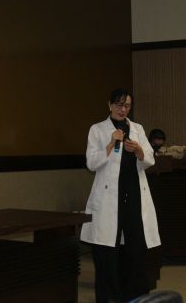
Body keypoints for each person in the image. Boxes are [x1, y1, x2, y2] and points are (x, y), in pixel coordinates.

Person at [80, 88, 161, 303]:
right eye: (118, 105)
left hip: (134, 196)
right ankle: (108, 298)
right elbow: (91, 163)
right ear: (109, 105)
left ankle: (134, 297)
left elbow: (149, 159)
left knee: (135, 250)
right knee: (107, 252)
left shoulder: (137, 129)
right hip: (109, 198)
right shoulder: (97, 129)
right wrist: (110, 144)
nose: (122, 109)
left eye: (127, 106)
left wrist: (138, 150)